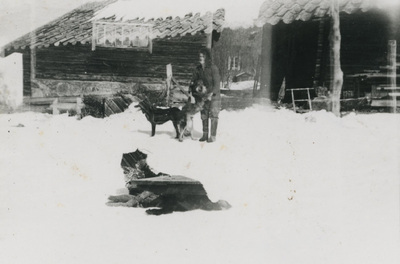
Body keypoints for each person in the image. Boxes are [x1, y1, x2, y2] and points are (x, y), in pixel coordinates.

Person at [189, 48, 221, 143]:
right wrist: (192, 90)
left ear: (207, 57)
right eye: (200, 56)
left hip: (214, 96)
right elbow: (193, 81)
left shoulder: (213, 68)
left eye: (203, 56)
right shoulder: (198, 69)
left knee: (214, 115)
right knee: (204, 115)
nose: (201, 58)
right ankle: (205, 134)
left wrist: (212, 93)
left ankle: (213, 136)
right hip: (203, 96)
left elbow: (217, 84)